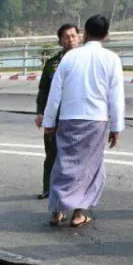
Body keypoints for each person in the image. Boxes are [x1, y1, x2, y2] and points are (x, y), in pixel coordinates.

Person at [41, 14, 124, 229]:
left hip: (68, 118)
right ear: (106, 35)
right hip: (96, 121)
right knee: (91, 167)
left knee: (64, 164)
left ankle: (57, 212)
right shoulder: (112, 59)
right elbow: (116, 97)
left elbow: (55, 93)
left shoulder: (70, 58)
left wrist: (49, 121)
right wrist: (116, 127)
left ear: (84, 33)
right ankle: (79, 214)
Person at [35, 23, 80, 201]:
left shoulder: (86, 60)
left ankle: (74, 192)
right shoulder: (52, 64)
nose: (71, 40)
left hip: (77, 117)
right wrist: (40, 113)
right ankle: (48, 188)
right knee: (52, 155)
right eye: (66, 37)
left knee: (75, 157)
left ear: (80, 37)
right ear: (60, 41)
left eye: (73, 36)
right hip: (54, 117)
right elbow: (43, 91)